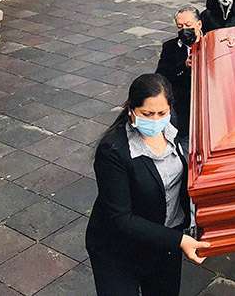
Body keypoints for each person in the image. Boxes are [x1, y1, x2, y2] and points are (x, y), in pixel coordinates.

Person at [86, 73, 210, 296]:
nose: (155, 121)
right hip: (118, 249)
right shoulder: (113, 151)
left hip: (164, 244)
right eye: (147, 114)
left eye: (161, 113)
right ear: (131, 110)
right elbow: (121, 218)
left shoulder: (171, 124)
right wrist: (179, 240)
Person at [156, 6, 202, 149]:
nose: (184, 30)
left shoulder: (212, 42)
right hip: (183, 107)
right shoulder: (169, 47)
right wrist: (183, 66)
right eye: (180, 26)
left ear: (199, 24)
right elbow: (161, 76)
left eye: (188, 25)